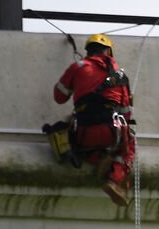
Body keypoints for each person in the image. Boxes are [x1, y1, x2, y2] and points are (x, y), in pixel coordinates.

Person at [52, 33, 135, 206]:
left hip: (82, 131)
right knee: (128, 145)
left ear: (88, 51)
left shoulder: (78, 66)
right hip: (110, 132)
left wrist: (78, 79)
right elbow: (126, 113)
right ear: (109, 52)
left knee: (68, 133)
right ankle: (113, 179)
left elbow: (59, 97)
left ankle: (97, 159)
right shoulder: (119, 75)